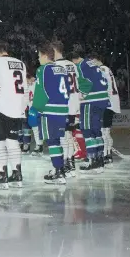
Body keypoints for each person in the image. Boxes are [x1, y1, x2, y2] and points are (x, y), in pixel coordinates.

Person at [0, 41, 28, 190]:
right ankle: (17, 173)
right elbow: (25, 88)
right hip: (17, 107)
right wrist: (23, 106)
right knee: (13, 141)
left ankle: (2, 174)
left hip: (0, 107)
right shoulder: (20, 63)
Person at [32, 43, 69, 184]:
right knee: (57, 140)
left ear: (45, 55)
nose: (38, 59)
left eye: (39, 56)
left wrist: (35, 108)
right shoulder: (62, 69)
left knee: (52, 142)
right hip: (62, 109)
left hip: (50, 109)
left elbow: (41, 91)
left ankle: (58, 171)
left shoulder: (42, 69)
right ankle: (59, 169)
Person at [71, 49, 110, 173]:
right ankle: (99, 160)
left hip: (91, 101)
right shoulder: (91, 63)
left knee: (87, 130)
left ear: (74, 60)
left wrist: (81, 96)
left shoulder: (80, 66)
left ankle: (91, 159)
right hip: (102, 100)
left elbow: (86, 84)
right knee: (96, 131)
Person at [52, 40, 81, 177]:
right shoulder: (72, 65)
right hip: (74, 105)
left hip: (63, 105)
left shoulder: (56, 65)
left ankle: (64, 164)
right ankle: (71, 163)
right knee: (68, 135)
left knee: (62, 137)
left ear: (54, 50)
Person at [94, 56, 121, 164]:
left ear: (96, 60)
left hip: (107, 103)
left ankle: (105, 155)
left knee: (103, 132)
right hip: (112, 103)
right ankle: (107, 154)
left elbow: (101, 86)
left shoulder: (102, 69)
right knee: (106, 131)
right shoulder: (107, 69)